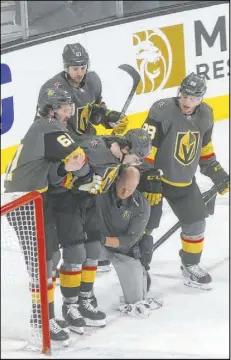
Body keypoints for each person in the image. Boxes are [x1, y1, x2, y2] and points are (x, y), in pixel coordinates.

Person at [3, 86, 100, 343]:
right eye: (65, 109)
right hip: (23, 203)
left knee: (52, 257)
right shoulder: (48, 127)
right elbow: (78, 158)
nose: (69, 114)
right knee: (42, 265)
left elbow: (50, 173)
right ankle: (40, 322)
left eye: (70, 109)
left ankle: (47, 315)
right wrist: (88, 177)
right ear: (51, 110)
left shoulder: (42, 130)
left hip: (35, 198)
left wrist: (65, 169)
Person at [48, 128, 152, 333]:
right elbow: (59, 171)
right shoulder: (92, 149)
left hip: (88, 203)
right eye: (135, 158)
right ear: (124, 148)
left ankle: (85, 300)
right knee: (76, 254)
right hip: (68, 203)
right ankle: (70, 306)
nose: (136, 162)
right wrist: (76, 182)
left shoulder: (118, 157)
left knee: (94, 251)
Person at [140, 72, 229, 290]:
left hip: (184, 181)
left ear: (201, 99)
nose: (187, 102)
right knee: (144, 227)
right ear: (180, 92)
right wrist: (147, 175)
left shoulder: (206, 115)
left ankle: (190, 265)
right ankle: (138, 269)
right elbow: (144, 147)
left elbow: (205, 152)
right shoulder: (162, 110)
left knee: (196, 222)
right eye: (185, 96)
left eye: (193, 99)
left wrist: (216, 172)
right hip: (155, 181)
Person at [97, 165, 163, 317]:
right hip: (97, 246)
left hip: (123, 251)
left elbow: (128, 241)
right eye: (122, 187)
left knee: (136, 300)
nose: (125, 193)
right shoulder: (102, 191)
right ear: (117, 179)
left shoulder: (142, 206)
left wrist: (103, 239)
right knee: (76, 254)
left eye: (130, 189)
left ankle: (142, 272)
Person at [36, 42, 128, 137]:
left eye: (83, 68)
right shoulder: (52, 89)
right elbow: (42, 125)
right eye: (75, 69)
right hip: (64, 143)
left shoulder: (93, 81)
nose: (80, 73)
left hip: (88, 140)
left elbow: (94, 111)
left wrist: (108, 117)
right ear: (66, 68)